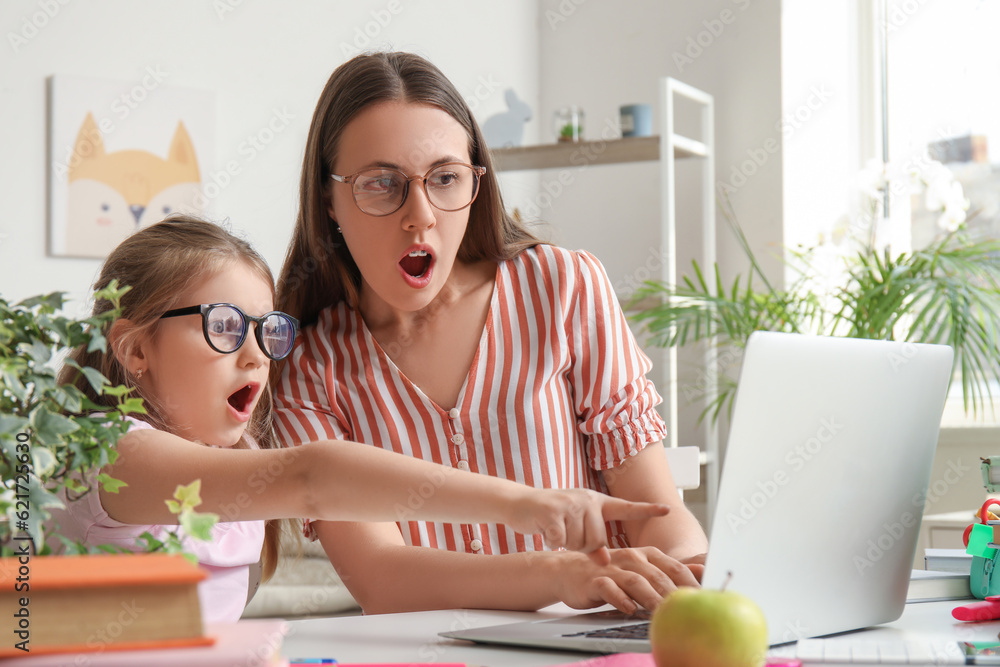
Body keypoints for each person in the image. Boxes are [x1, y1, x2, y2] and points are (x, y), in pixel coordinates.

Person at [51, 215, 670, 624]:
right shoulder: (110, 455)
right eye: (223, 327)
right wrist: (527, 507)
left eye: (267, 331)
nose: (255, 355)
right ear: (134, 350)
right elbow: (312, 475)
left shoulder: (233, 464)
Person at [273, 51, 709, 616]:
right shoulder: (307, 363)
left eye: (446, 178)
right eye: (382, 184)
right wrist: (558, 573)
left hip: (588, 640)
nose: (421, 215)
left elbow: (656, 515)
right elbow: (381, 578)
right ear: (329, 200)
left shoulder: (561, 286)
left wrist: (687, 580)